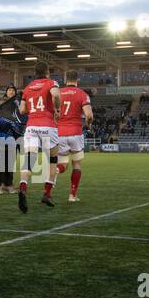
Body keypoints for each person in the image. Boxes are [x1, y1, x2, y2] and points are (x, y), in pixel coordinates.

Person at [18, 61, 62, 212]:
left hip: (31, 127)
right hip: (47, 126)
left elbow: (22, 110)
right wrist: (57, 109)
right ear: (47, 72)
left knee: (29, 160)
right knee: (53, 160)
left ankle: (23, 186)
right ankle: (47, 194)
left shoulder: (28, 87)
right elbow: (56, 95)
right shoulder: (51, 82)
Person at [56, 70, 93, 202]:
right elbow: (89, 115)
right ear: (77, 80)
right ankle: (72, 195)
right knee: (76, 164)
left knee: (63, 164)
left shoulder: (58, 93)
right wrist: (88, 124)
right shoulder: (82, 94)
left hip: (60, 133)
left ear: (66, 79)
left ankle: (54, 172)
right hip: (76, 132)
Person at [0, 84, 19, 192]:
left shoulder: (17, 107)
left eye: (13, 90)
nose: (11, 92)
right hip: (1, 136)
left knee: (10, 162)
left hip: (13, 137)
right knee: (0, 162)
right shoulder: (1, 105)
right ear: (6, 92)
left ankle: (8, 184)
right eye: (9, 90)